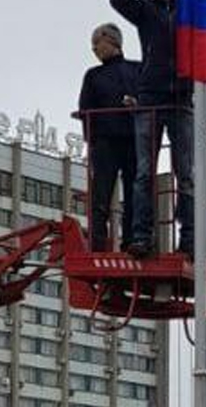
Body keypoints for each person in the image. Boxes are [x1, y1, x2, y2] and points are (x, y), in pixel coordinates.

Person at [111, 0, 194, 258]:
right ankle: (141, 238)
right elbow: (118, 0)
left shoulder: (189, 9)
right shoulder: (145, 10)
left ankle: (189, 241)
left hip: (182, 99)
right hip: (150, 99)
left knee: (185, 174)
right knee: (145, 172)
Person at [78, 23, 139, 252]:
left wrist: (137, 104)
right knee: (101, 195)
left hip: (132, 139)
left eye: (97, 43)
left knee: (135, 193)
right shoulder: (93, 75)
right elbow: (85, 109)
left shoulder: (137, 69)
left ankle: (133, 239)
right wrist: (91, 141)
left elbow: (148, 98)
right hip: (105, 142)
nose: (94, 49)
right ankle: (98, 243)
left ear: (113, 41)